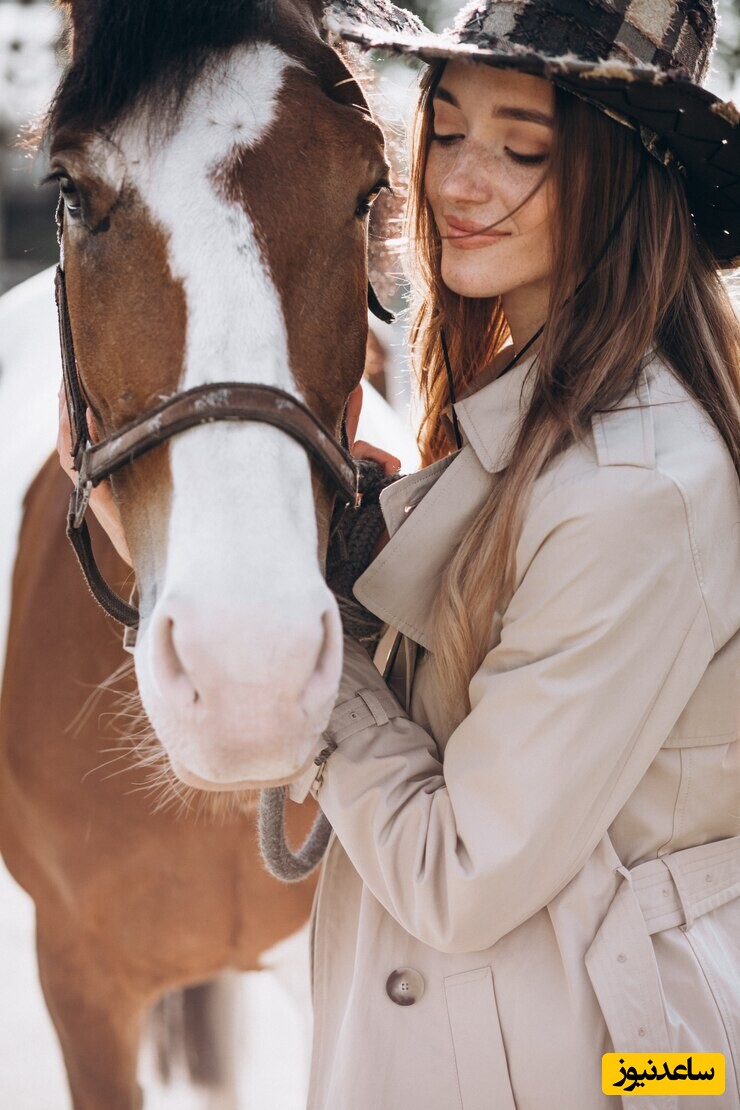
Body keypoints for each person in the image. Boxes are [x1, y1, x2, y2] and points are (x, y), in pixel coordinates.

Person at [58, 0, 740, 1107]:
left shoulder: (635, 491)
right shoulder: (538, 414)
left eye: (520, 148)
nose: (457, 185)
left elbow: (458, 873)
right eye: (446, 132)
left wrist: (311, 687)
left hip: (626, 1074)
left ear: (625, 176)